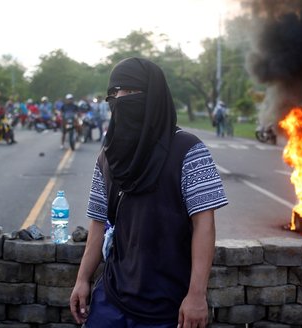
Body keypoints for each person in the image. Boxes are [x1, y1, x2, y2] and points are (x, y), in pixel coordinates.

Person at [69, 57, 228, 328]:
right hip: (112, 297)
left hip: (170, 305)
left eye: (130, 92)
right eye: (115, 93)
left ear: (153, 97)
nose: (120, 99)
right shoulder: (108, 157)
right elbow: (97, 222)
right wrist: (82, 279)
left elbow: (204, 225)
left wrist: (196, 295)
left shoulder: (189, 150)